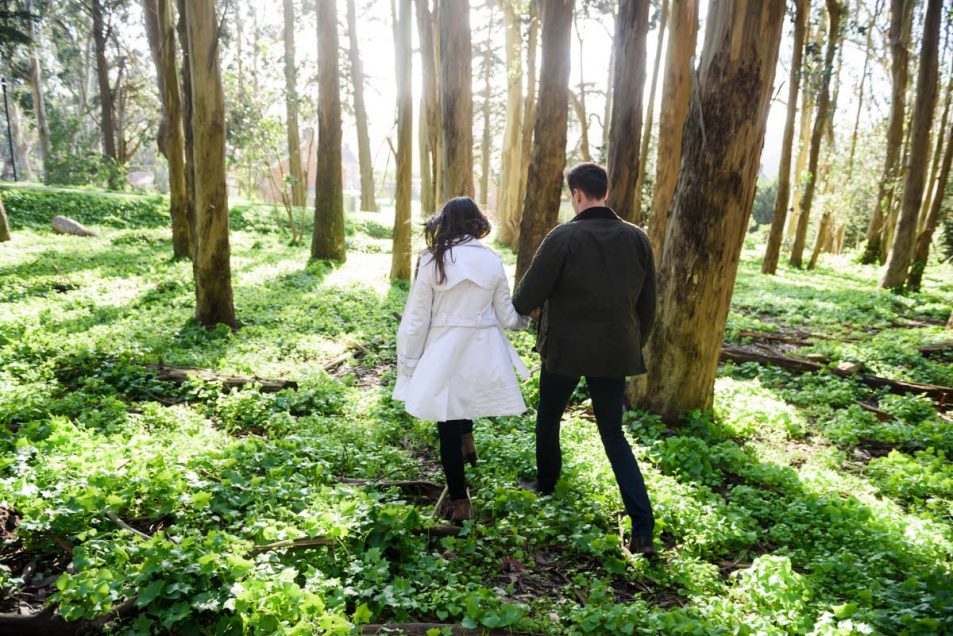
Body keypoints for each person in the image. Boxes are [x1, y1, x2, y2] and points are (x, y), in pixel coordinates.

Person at [512, 162, 658, 555]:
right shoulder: (637, 238)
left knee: (548, 417)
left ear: (576, 193)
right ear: (605, 192)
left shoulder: (563, 237)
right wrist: (630, 344)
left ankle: (546, 484)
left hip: (565, 351)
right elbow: (648, 307)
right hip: (616, 352)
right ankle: (643, 528)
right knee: (613, 433)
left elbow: (526, 297)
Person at [393, 197, 531, 522]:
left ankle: (460, 502)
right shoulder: (492, 260)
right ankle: (468, 439)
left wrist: (409, 365)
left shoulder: (433, 259)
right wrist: (524, 320)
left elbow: (415, 319)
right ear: (476, 222)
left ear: (446, 222)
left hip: (444, 347)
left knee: (446, 425)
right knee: (462, 400)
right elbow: (507, 317)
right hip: (484, 351)